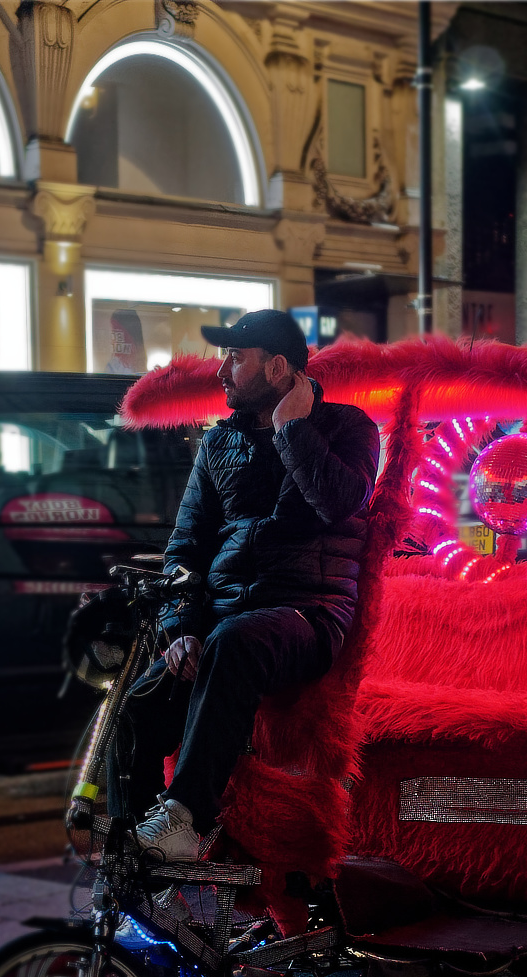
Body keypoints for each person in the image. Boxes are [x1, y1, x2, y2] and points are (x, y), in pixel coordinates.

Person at [110, 309, 380, 860]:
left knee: (237, 640)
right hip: (223, 618)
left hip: (307, 614)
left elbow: (335, 502)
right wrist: (180, 625)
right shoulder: (217, 445)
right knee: (135, 712)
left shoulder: (350, 429)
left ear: (278, 367)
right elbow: (185, 547)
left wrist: (294, 429)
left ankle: (185, 818)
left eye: (236, 357)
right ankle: (135, 864)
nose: (222, 371)